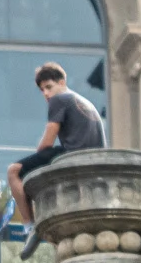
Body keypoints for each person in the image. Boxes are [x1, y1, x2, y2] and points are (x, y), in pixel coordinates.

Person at [8, 61, 105, 229]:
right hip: (95, 160)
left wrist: (37, 155)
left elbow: (47, 142)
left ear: (62, 83)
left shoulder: (59, 99)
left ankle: (29, 226)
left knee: (14, 171)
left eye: (49, 87)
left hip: (72, 155)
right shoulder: (83, 101)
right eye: (42, 90)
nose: (46, 93)